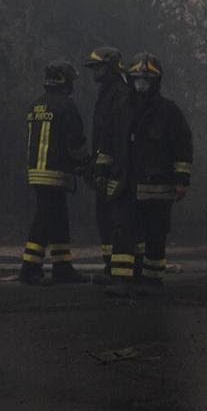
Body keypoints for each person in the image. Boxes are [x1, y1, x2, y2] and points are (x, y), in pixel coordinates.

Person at [106, 52, 192, 297]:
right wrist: (103, 170)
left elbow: (183, 147)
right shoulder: (121, 109)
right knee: (123, 229)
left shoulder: (169, 112)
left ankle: (152, 280)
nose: (141, 83)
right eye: (137, 78)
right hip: (126, 184)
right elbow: (110, 141)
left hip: (158, 186)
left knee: (155, 233)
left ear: (156, 81)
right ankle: (122, 280)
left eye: (147, 79)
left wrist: (181, 180)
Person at [18, 59, 88, 286]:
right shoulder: (65, 106)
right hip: (55, 172)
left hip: (37, 172)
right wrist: (85, 164)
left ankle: (62, 267)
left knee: (58, 218)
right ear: (63, 80)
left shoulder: (36, 105)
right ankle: (29, 268)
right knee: (45, 219)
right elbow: (76, 141)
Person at [82, 46, 133, 284]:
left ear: (111, 67)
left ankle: (120, 270)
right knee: (104, 218)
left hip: (116, 171)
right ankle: (110, 267)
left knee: (115, 219)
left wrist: (109, 168)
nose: (94, 72)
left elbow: (118, 137)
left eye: (98, 67)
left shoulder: (120, 95)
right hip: (105, 169)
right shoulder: (106, 93)